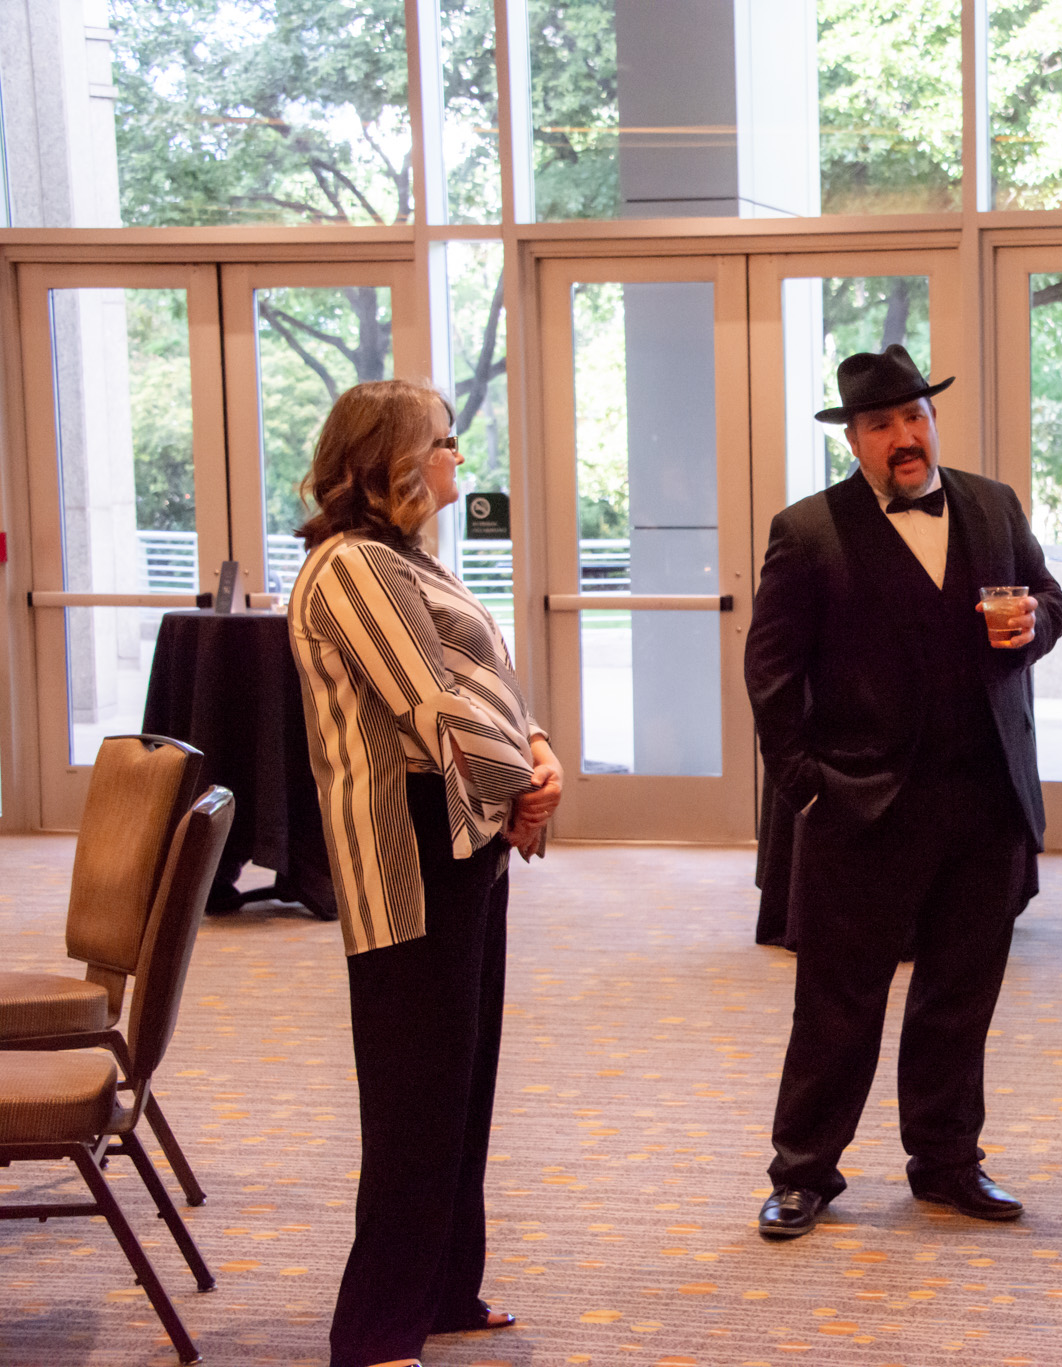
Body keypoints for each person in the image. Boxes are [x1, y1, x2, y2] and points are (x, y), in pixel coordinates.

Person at [744, 344, 1062, 1239]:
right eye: (882, 423)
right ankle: (803, 1170)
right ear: (853, 439)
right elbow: (771, 677)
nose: (904, 435)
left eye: (915, 415)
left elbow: (1050, 596)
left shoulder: (994, 504)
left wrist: (1036, 623)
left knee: (960, 996)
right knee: (837, 1004)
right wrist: (807, 789)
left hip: (987, 801)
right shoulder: (809, 531)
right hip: (862, 808)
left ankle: (947, 1160)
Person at [286, 379, 562, 1367]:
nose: (458, 457)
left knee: (460, 1080)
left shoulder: (405, 556)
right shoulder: (350, 564)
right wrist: (523, 786)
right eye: (444, 440)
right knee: (413, 1097)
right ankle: (374, 1329)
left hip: (461, 831)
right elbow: (431, 702)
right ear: (394, 458)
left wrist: (535, 746)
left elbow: (487, 679)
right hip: (406, 847)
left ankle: (442, 1288)